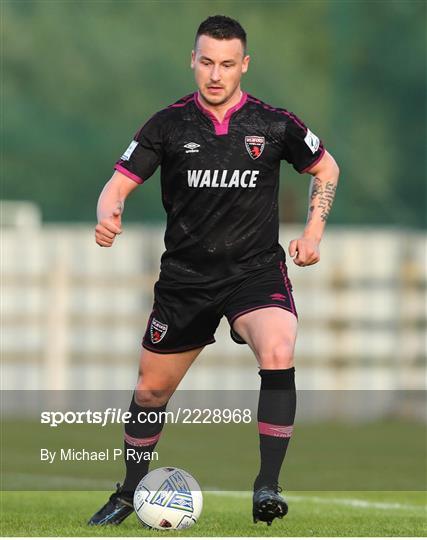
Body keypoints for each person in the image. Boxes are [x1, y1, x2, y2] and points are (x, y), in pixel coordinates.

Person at [89, 14, 339, 527]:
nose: (216, 74)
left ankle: (267, 485)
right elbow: (117, 184)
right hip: (186, 281)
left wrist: (313, 232)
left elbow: (326, 168)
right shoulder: (168, 124)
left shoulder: (274, 124)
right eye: (207, 62)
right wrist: (106, 212)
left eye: (227, 64)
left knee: (279, 347)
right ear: (193, 61)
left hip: (254, 273)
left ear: (244, 65)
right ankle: (130, 491)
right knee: (150, 392)